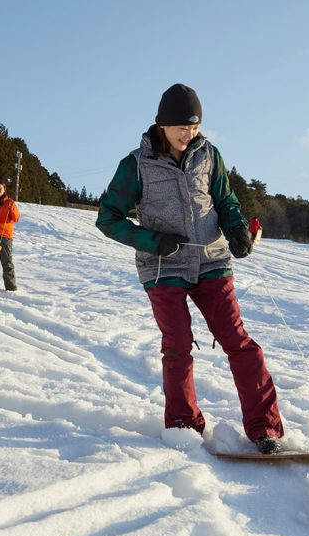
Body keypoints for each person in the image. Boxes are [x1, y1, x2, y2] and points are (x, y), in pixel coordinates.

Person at [96, 83, 284, 454]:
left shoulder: (209, 155)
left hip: (211, 261)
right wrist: (152, 241)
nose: (189, 133)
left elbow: (225, 200)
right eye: (182, 126)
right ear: (162, 125)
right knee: (178, 344)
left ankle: (265, 429)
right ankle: (183, 425)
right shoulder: (135, 165)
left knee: (238, 341)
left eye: (195, 127)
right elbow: (108, 218)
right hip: (163, 266)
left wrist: (236, 230)